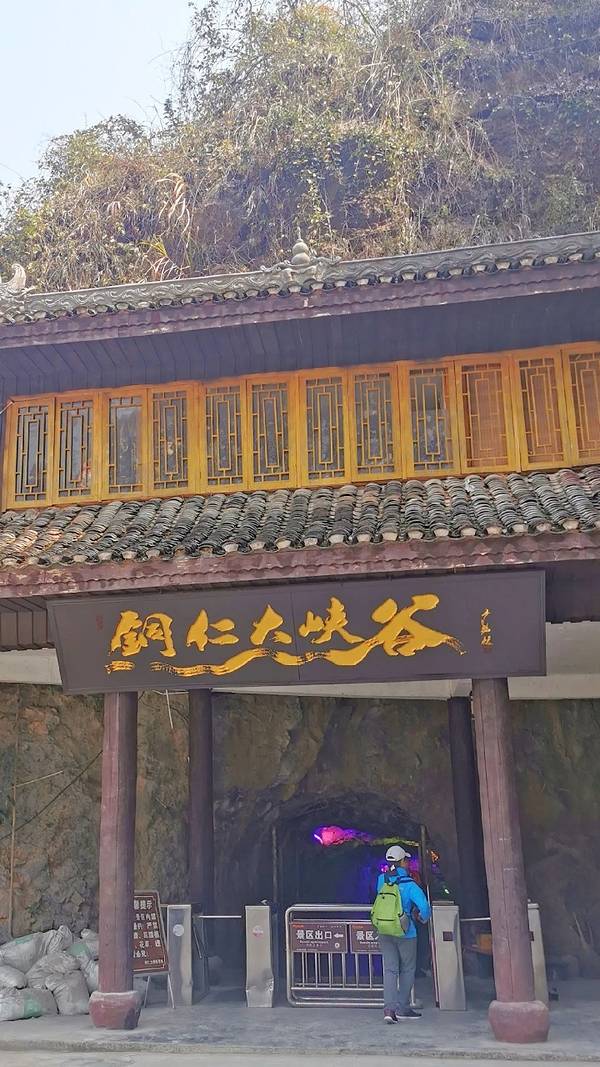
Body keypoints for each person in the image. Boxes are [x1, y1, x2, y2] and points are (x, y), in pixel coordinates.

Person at [376, 845, 431, 1023]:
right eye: (406, 860)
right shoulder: (409, 884)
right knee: (408, 969)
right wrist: (422, 918)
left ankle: (389, 1010)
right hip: (406, 932)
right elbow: (424, 907)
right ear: (402, 862)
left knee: (390, 969)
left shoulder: (381, 880)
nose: (408, 863)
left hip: (384, 930)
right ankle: (402, 1007)